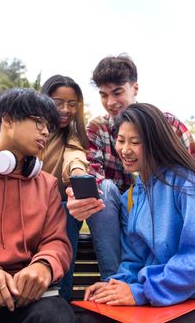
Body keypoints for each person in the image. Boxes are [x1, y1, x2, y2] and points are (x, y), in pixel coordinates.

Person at [66, 54, 195, 282]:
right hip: (121, 216)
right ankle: (115, 280)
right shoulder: (98, 128)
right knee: (104, 189)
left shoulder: (169, 126)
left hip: (169, 221)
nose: (110, 102)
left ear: (134, 88)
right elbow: (91, 176)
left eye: (117, 92)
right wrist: (81, 198)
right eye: (104, 95)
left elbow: (189, 177)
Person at [0, 88, 76, 322]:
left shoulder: (46, 184)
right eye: (38, 122)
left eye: (49, 127)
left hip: (28, 299)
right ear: (8, 120)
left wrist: (44, 266)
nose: (45, 131)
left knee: (57, 316)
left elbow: (57, 242)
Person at [84, 102, 195, 308]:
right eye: (121, 140)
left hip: (182, 298)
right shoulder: (131, 197)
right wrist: (113, 285)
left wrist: (143, 291)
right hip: (155, 297)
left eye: (135, 142)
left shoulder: (185, 184)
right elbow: (134, 259)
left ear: (156, 142)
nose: (125, 150)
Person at [39, 75, 90, 302]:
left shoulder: (72, 135)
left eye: (72, 104)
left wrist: (79, 175)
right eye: (58, 102)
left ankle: (61, 298)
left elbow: (75, 156)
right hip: (23, 207)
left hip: (56, 213)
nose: (65, 109)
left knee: (65, 210)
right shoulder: (28, 132)